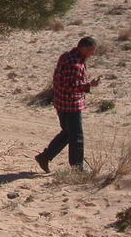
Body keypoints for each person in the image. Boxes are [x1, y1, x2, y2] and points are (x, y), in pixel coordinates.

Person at [35, 36, 102, 173]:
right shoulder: (74, 63)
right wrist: (90, 85)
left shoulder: (67, 56)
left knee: (67, 133)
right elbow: (71, 86)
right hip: (71, 104)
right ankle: (77, 168)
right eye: (90, 50)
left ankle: (45, 157)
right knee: (76, 136)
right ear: (82, 48)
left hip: (61, 102)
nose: (92, 53)